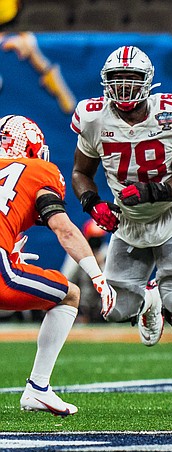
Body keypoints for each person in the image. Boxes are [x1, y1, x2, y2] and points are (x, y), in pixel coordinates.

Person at [70, 46, 172, 412]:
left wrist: (154, 190)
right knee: (115, 309)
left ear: (147, 82)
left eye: (130, 79)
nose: (123, 87)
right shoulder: (93, 117)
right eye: (116, 80)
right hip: (128, 221)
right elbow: (80, 173)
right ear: (105, 82)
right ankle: (151, 298)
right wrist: (93, 204)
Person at [0, 114, 115, 416]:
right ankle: (38, 389)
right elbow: (64, 229)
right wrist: (97, 274)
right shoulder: (39, 171)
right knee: (70, 293)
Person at [59, 220, 109, 323]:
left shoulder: (106, 252)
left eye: (98, 238)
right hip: (82, 304)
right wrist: (85, 263)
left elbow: (111, 283)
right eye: (94, 238)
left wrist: (100, 266)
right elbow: (66, 278)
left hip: (102, 305)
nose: (96, 242)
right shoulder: (77, 252)